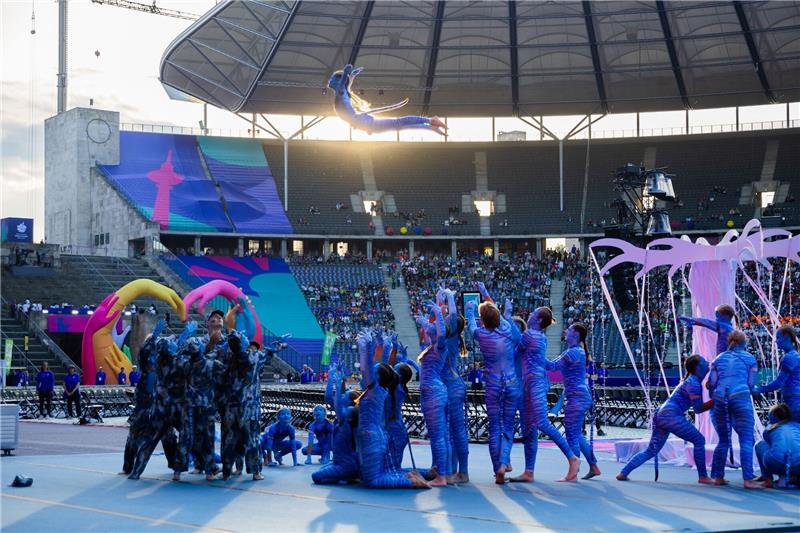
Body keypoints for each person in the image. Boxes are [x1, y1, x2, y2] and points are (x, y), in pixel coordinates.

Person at [617, 355, 714, 484]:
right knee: (699, 440)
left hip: (662, 414)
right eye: (704, 362)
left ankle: (623, 472)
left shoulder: (690, 381)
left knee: (651, 450)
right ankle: (703, 476)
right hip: (671, 416)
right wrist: (717, 400)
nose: (707, 363)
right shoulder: (694, 383)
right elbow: (698, 409)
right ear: (697, 368)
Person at [355, 330, 429, 489]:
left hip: (392, 432)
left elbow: (380, 367)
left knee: (390, 471)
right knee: (389, 469)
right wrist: (385, 345)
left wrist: (372, 346)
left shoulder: (392, 389)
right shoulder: (391, 387)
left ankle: (420, 476)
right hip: (391, 430)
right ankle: (425, 474)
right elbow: (384, 366)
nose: (393, 369)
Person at [513, 307, 580, 483]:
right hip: (531, 382)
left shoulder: (530, 336)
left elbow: (516, 352)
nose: (529, 314)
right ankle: (529, 471)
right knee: (529, 428)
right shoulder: (537, 336)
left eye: (533, 314)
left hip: (535, 382)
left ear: (539, 320)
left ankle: (572, 458)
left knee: (541, 422)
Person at [466, 294, 521, 484]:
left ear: (483, 321)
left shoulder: (481, 334)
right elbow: (504, 318)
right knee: (508, 425)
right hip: (512, 383)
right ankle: (504, 462)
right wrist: (507, 311)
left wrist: (470, 309)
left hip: (493, 385)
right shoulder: (506, 328)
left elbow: (472, 326)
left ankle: (497, 467)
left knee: (494, 427)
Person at [546, 323, 601, 480]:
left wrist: (534, 352)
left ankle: (574, 472)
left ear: (576, 335)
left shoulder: (573, 353)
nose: (565, 331)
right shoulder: (575, 352)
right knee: (576, 434)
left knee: (571, 434)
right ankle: (594, 466)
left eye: (569, 330)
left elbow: (552, 366)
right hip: (579, 395)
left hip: (576, 397)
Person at [707, 330, 762, 489]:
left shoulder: (718, 359)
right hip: (740, 396)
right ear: (743, 342)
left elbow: (712, 383)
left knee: (723, 440)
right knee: (746, 438)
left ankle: (718, 476)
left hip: (720, 397)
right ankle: (747, 479)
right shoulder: (749, 358)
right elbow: (751, 384)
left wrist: (716, 396)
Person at [416, 300, 451, 487]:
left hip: (434, 394)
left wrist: (438, 313)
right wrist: (424, 321)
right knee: (441, 434)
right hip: (434, 393)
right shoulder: (431, 348)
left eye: (429, 329)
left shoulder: (440, 346)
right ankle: (440, 469)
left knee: (438, 436)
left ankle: (442, 476)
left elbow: (441, 332)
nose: (426, 331)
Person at [312, 361, 360, 485]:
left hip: (346, 462)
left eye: (346, 396)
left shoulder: (348, 415)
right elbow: (328, 396)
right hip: (339, 460)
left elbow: (337, 403)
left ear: (350, 403)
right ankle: (349, 474)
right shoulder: (345, 413)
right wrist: (332, 374)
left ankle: (350, 473)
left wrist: (338, 386)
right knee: (323, 470)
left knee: (316, 476)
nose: (342, 396)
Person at [753, 325, 800, 422]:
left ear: (786, 337)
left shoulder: (789, 357)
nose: (776, 341)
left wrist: (757, 390)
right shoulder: (795, 355)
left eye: (778, 337)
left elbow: (779, 383)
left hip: (794, 400)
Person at [755, 404, 800, 488]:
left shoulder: (770, 428)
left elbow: (769, 443)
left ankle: (767, 479)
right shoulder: (797, 426)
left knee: (760, 445)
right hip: (798, 465)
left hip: (776, 464)